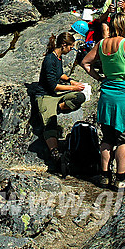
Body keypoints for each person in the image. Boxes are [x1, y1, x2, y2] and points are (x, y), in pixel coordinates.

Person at [81, 13, 125, 190]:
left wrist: (100, 78)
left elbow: (85, 63)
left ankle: (104, 176)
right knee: (123, 139)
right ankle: (120, 178)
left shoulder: (102, 43)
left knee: (108, 137)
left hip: (107, 93)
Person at [30, 32, 87, 170]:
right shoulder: (49, 60)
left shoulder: (58, 58)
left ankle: (58, 108)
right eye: (70, 46)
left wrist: (70, 80)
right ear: (64, 45)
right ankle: (55, 153)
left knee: (79, 97)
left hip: (56, 95)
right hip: (46, 95)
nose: (71, 49)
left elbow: (59, 74)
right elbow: (52, 85)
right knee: (50, 123)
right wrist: (72, 87)